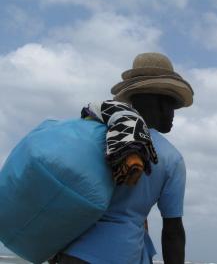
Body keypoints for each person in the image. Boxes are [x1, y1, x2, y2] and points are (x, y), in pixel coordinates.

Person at [58, 52, 194, 264]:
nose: (174, 114)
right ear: (161, 104)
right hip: (122, 255)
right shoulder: (170, 158)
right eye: (173, 106)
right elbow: (172, 232)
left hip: (71, 252)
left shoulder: (96, 134)